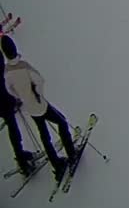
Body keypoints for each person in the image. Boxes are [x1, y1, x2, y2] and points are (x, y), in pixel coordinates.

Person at [1, 35, 76, 178]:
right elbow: (39, 80)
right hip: (39, 104)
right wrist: (38, 94)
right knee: (62, 121)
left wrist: (20, 97)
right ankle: (71, 153)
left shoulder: (7, 72)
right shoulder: (24, 66)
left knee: (44, 136)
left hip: (29, 108)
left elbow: (9, 89)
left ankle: (57, 165)